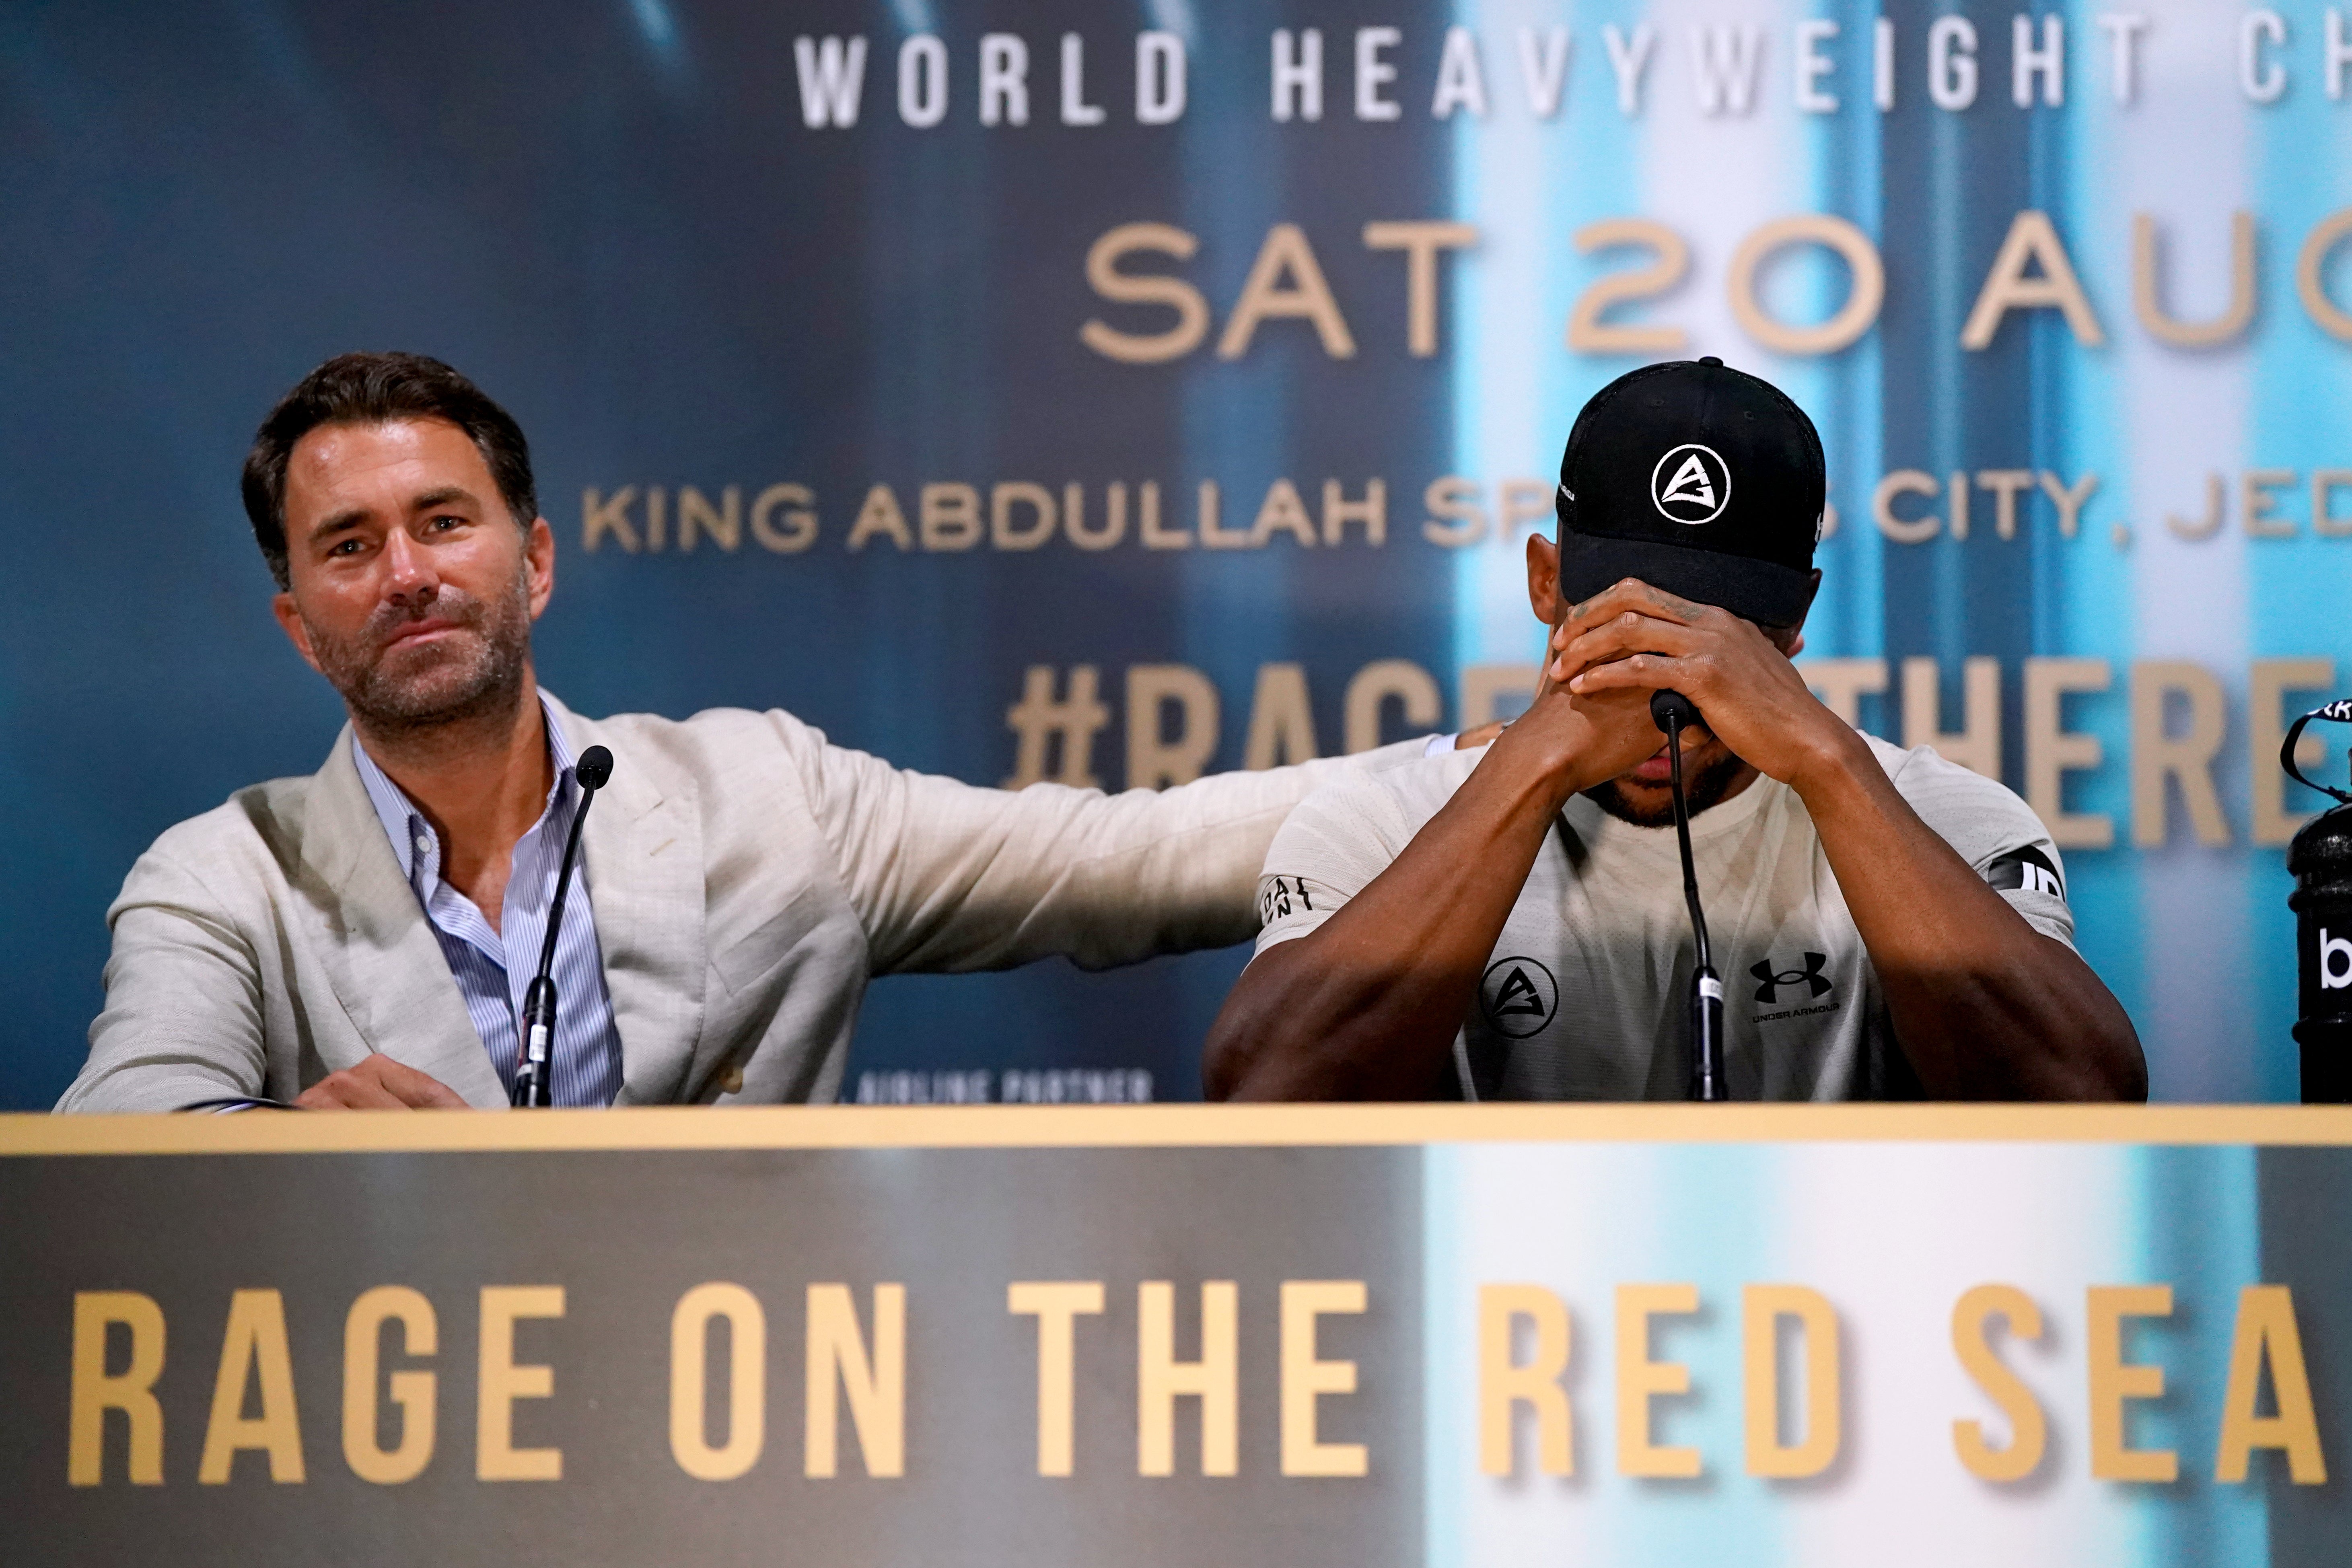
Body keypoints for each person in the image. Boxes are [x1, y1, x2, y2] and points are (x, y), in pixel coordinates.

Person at [60, 352, 1452, 1113]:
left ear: (533, 560)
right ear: (298, 623)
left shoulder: (762, 793)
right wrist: (281, 1148)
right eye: (348, 545)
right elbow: (114, 1164)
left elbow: (1125, 854)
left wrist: (1502, 764)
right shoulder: (220, 874)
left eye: (442, 521)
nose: (408, 571)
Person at [1205, 357, 2146, 1103]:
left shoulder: (1937, 814)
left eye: (1720, 636)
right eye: (1624, 621)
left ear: (1794, 624)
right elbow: (1264, 1094)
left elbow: (2083, 1105)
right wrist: (1529, 765)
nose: (1672, 675)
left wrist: (1827, 762)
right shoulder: (1378, 823)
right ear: (1545, 582)